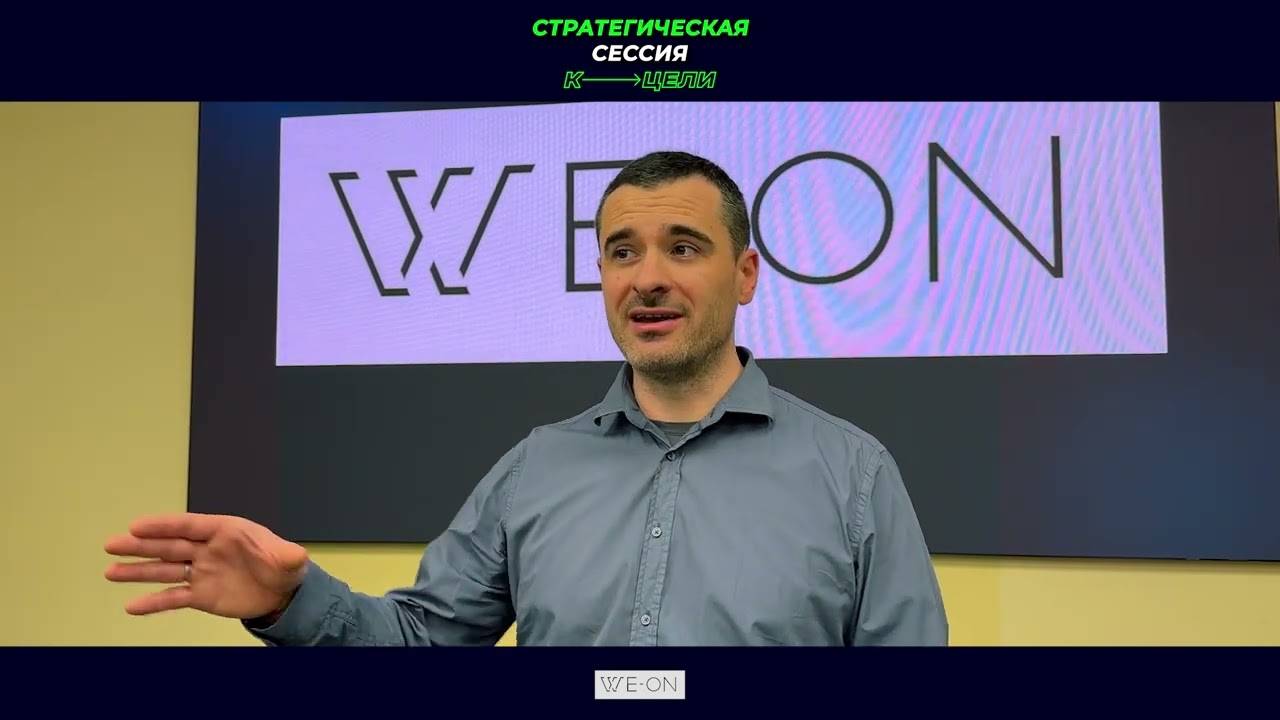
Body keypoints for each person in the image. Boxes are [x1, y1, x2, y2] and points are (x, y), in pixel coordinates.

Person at [104, 151, 948, 646]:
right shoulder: (536, 469)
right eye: (622, 252)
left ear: (747, 274)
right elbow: (425, 641)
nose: (648, 278)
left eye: (684, 247)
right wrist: (291, 602)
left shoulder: (853, 474)